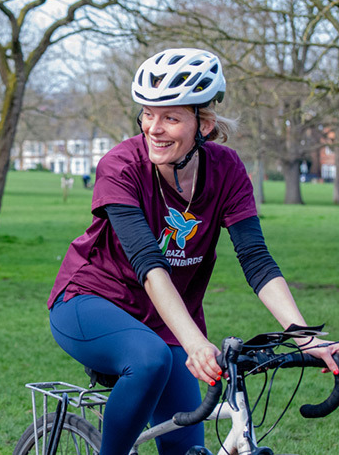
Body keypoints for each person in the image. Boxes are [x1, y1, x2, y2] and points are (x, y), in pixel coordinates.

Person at [47, 48, 339, 454]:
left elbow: (255, 259)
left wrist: (304, 336)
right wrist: (196, 342)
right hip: (89, 300)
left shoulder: (227, 169)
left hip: (167, 320)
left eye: (170, 117)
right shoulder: (121, 166)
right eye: (148, 113)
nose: (154, 128)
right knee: (149, 359)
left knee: (186, 448)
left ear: (204, 123)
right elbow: (149, 263)